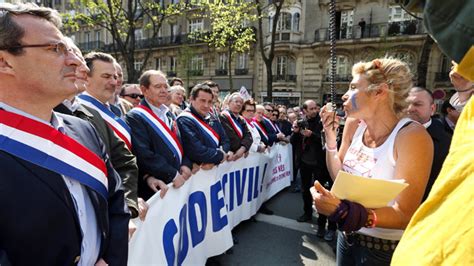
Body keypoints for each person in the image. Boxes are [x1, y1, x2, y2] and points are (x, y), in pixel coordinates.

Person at [0, 3, 129, 265]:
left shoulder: (83, 129)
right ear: (4, 62)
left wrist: (111, 260)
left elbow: (116, 202)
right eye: (55, 49)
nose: (74, 60)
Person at [313, 58, 433, 265]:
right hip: (347, 237)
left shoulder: (411, 136)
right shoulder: (353, 124)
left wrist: (343, 211)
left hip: (384, 249)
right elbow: (339, 176)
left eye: (353, 88)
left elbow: (404, 214)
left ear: (380, 92)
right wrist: (330, 138)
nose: (344, 95)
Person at [54, 38, 141, 220]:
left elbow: (124, 163)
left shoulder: (93, 115)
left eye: (115, 77)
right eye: (106, 76)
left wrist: (125, 205)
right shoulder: (43, 112)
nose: (83, 70)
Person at [126, 70, 194, 200]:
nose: (164, 90)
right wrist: (173, 174)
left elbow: (180, 143)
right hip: (157, 187)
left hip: (178, 180)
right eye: (158, 87)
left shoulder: (168, 113)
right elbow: (144, 154)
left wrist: (185, 163)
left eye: (165, 86)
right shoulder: (135, 116)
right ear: (144, 90)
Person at [293, 100, 336, 240]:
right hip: (305, 163)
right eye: (311, 109)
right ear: (304, 110)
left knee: (322, 193)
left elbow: (326, 141)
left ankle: (323, 225)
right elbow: (293, 141)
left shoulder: (322, 122)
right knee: (305, 190)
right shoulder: (300, 121)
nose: (314, 110)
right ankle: (307, 213)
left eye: (315, 108)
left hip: (320, 164)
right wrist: (295, 132)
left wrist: (312, 135)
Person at [77, 52, 132, 150]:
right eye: (106, 76)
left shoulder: (115, 110)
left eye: (115, 77)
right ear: (86, 78)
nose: (114, 82)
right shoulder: (76, 111)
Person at [406, 87, 451, 201]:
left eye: (417, 104)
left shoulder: (448, 143)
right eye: (406, 104)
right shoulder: (386, 133)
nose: (410, 108)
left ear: (432, 109)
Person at [176, 84, 231, 169]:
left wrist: (218, 158)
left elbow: (225, 140)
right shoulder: (184, 120)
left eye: (209, 102)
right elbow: (197, 151)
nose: (206, 105)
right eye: (202, 100)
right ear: (191, 99)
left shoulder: (212, 118)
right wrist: (220, 156)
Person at [219, 92, 253, 161]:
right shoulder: (223, 116)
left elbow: (249, 136)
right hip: (230, 155)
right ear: (229, 103)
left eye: (241, 102)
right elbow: (230, 136)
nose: (239, 104)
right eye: (236, 101)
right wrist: (241, 148)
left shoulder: (241, 119)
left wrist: (243, 148)